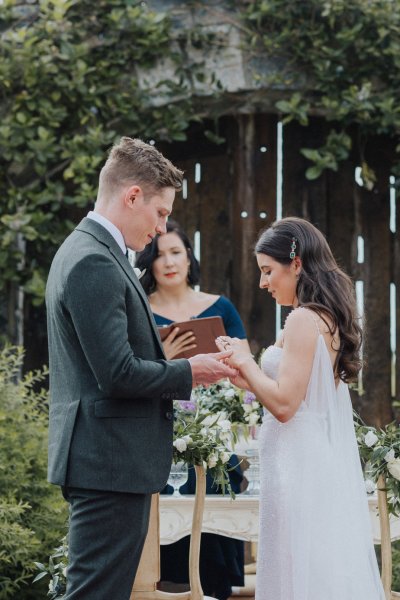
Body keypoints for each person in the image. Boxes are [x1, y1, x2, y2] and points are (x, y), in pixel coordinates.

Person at [45, 137, 237, 600]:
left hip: (106, 460)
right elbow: (118, 375)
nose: (162, 227)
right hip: (106, 462)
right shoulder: (94, 259)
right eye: (161, 212)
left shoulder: (92, 251)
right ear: (133, 196)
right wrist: (192, 371)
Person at [216, 217, 385, 600]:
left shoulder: (303, 319)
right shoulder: (322, 317)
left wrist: (245, 362)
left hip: (299, 464)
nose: (263, 283)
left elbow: (286, 406)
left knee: (302, 571)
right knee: (310, 566)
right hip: (301, 458)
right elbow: (290, 394)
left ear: (296, 263)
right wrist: (246, 376)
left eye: (267, 271)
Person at [135, 220, 250, 600]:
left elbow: (245, 366)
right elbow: (128, 373)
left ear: (189, 258)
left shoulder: (220, 307)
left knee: (213, 547)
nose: (168, 262)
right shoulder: (140, 309)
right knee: (163, 558)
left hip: (214, 435)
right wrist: (164, 359)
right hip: (156, 435)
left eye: (176, 252)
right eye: (159, 254)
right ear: (148, 263)